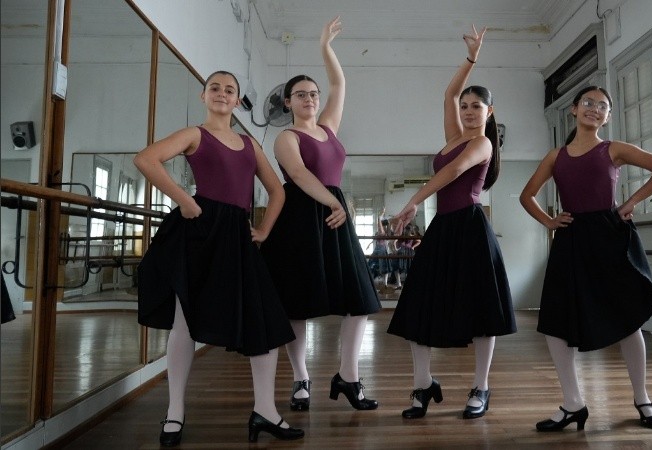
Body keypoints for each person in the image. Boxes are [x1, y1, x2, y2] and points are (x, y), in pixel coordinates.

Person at [135, 71, 303, 445]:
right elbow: (146, 159)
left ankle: (266, 410)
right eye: (215, 88)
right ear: (204, 95)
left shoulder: (249, 143)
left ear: (237, 100)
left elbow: (278, 192)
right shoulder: (195, 134)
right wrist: (185, 200)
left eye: (230, 90)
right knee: (184, 321)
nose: (222, 94)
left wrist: (264, 231)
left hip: (238, 235)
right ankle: (175, 411)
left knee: (265, 320)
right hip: (199, 231)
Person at [519, 85, 652, 432]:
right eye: (588, 103)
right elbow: (527, 195)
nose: (594, 108)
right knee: (555, 321)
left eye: (602, 106)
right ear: (574, 110)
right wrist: (548, 221)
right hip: (571, 239)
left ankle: (643, 399)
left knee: (627, 320)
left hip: (609, 236)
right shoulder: (555, 156)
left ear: (607, 117)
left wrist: (631, 202)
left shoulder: (613, 149)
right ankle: (573, 403)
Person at [386, 25, 516, 420]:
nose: (468, 110)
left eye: (477, 106)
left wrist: (413, 201)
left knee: (481, 312)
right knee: (417, 307)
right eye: (465, 106)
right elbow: (447, 94)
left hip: (470, 229)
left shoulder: (482, 143)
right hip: (443, 228)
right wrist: (471, 58)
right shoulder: (453, 136)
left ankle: (481, 386)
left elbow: (454, 171)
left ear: (489, 112)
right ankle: (424, 384)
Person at [259, 16, 381, 413]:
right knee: (297, 304)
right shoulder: (285, 137)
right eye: (301, 94)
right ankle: (301, 378)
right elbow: (297, 174)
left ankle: (348, 375)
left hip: (335, 215)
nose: (310, 99)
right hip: (302, 218)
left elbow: (339, 84)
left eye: (313, 93)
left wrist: (325, 47)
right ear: (288, 102)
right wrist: (332, 202)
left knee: (360, 300)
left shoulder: (329, 127)